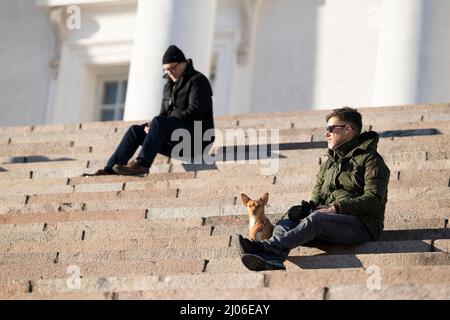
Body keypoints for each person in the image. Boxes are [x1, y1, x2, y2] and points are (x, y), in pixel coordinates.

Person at [236, 107, 390, 271]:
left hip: (362, 226)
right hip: (327, 224)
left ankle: (263, 247)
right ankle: (274, 259)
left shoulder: (370, 159)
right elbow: (316, 201)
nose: (326, 133)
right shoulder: (328, 164)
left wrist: (335, 209)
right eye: (326, 129)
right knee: (285, 223)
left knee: (317, 219)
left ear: (348, 129)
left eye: (331, 128)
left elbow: (374, 198)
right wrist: (305, 209)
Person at [89, 45, 214, 176]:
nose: (170, 72)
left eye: (173, 68)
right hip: (176, 140)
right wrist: (150, 127)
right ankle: (110, 170)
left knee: (159, 122)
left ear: (184, 63)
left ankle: (142, 164)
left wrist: (161, 123)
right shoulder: (168, 86)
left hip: (197, 141)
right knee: (136, 131)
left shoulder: (198, 80)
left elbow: (196, 111)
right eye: (166, 70)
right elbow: (163, 114)